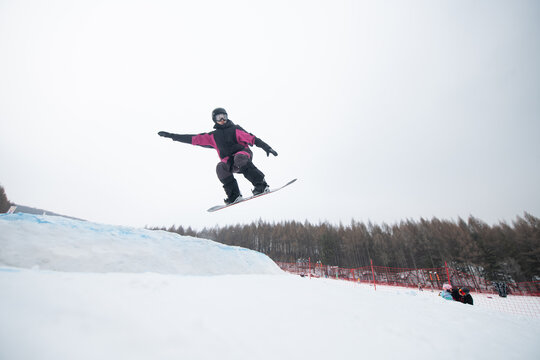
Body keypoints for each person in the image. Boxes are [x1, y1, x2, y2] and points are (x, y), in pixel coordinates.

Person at [158, 108, 278, 204]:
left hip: (243, 155)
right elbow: (193, 139)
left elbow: (252, 138)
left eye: (224, 116)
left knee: (239, 158)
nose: (222, 119)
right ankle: (234, 195)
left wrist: (266, 147)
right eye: (218, 117)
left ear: (227, 117)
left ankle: (261, 185)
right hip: (230, 162)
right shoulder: (213, 136)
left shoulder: (235, 129)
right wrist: (172, 136)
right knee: (220, 167)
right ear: (214, 120)